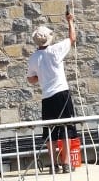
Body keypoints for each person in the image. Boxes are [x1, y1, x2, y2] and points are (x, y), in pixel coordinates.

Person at [27, 11, 77, 173]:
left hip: (47, 97)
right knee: (66, 128)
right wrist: (70, 21)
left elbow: (31, 79)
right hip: (62, 93)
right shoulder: (56, 50)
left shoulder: (34, 58)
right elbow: (72, 38)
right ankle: (67, 163)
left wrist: (40, 76)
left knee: (50, 131)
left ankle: (54, 165)